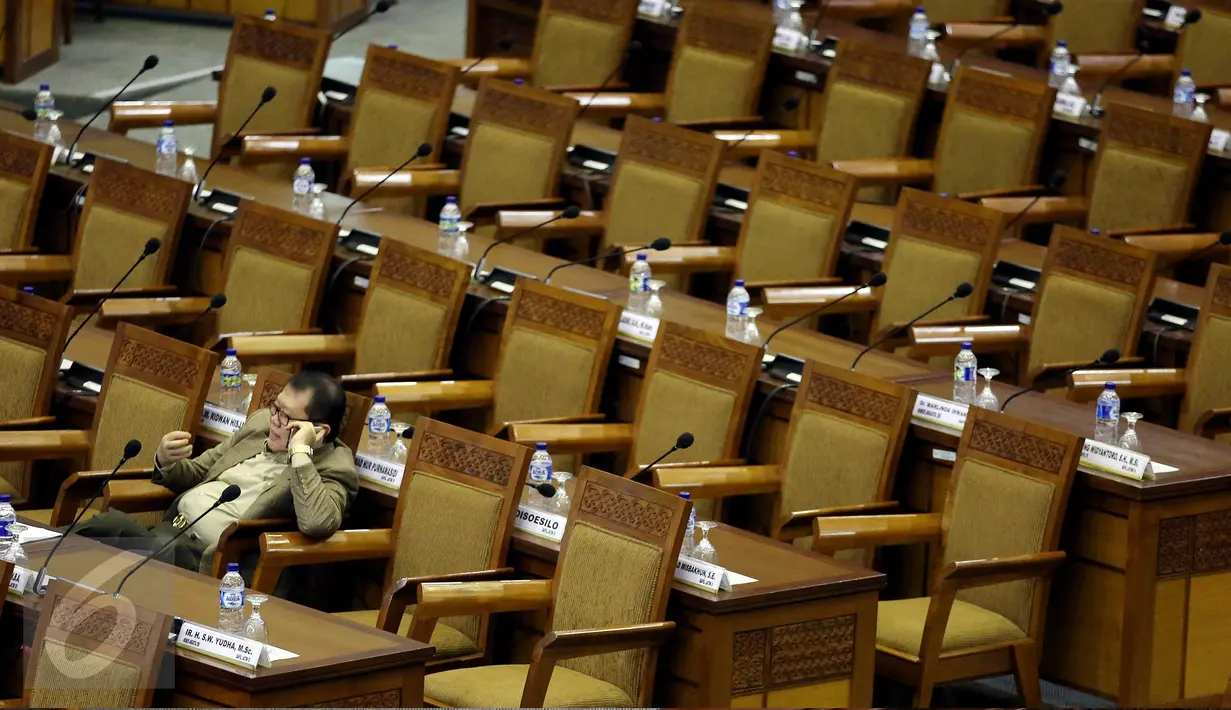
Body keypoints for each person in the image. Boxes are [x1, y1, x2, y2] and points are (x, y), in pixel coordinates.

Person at [75, 371, 359, 578]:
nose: (274, 419)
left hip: (209, 561)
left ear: (318, 430)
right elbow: (201, 470)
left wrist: (300, 453)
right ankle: (35, 558)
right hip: (170, 532)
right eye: (276, 407)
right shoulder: (261, 424)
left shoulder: (334, 468)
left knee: (112, 541)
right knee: (104, 530)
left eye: (285, 416)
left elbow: (318, 523)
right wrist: (167, 461)